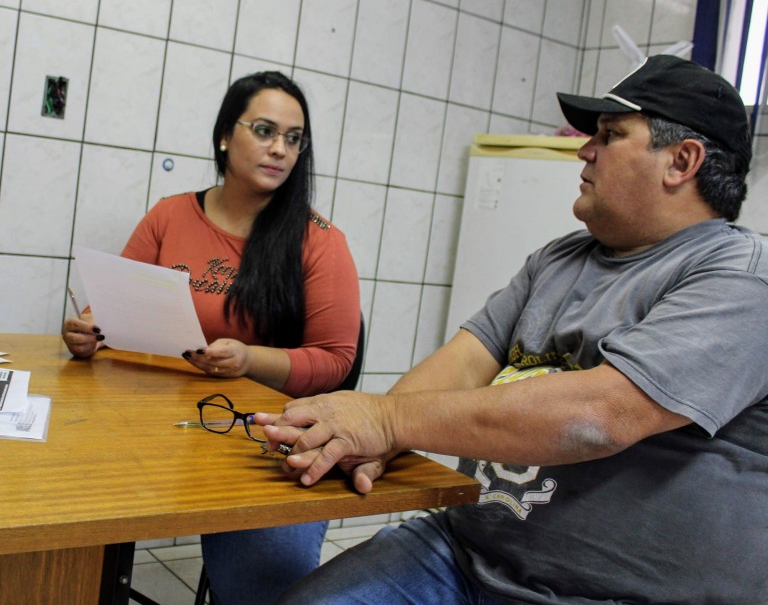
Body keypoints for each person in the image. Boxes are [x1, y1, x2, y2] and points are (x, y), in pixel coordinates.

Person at [257, 55, 768, 605]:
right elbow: (466, 360)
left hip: (618, 594)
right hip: (465, 552)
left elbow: (601, 416)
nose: (584, 151)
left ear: (681, 161)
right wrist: (376, 441)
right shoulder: (559, 258)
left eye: (611, 135)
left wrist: (386, 418)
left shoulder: (742, 280)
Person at [63, 71, 361, 604]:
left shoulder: (319, 241)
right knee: (64, 514)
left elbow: (336, 360)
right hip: (156, 423)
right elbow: (112, 304)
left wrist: (249, 360)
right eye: (265, 130)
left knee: (265, 580)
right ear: (226, 134)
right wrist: (89, 331)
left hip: (264, 436)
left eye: (294, 139)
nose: (280, 149)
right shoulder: (170, 214)